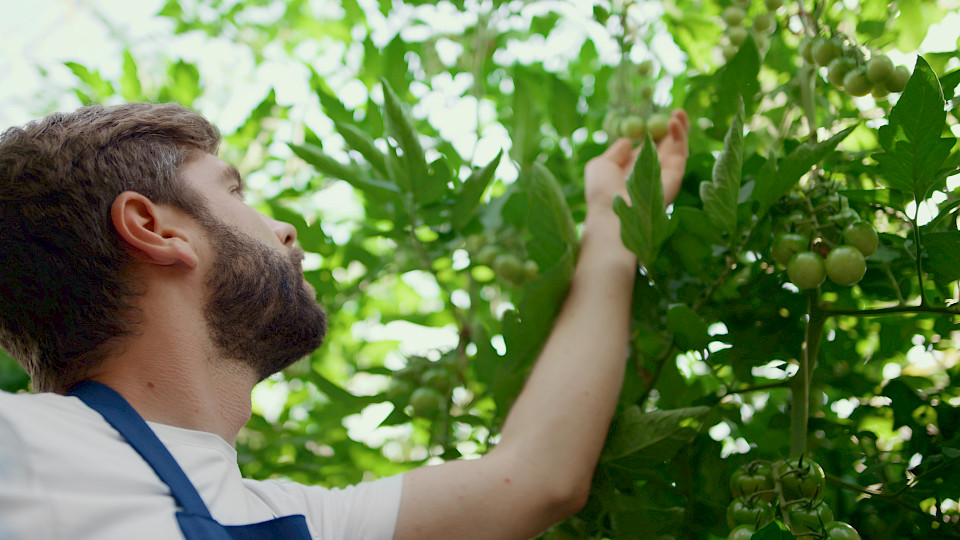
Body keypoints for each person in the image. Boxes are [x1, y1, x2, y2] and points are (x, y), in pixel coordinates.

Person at [0, 101, 689, 540]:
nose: (285, 228)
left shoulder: (283, 518)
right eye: (235, 191)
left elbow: (538, 476)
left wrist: (614, 231)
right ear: (155, 229)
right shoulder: (25, 446)